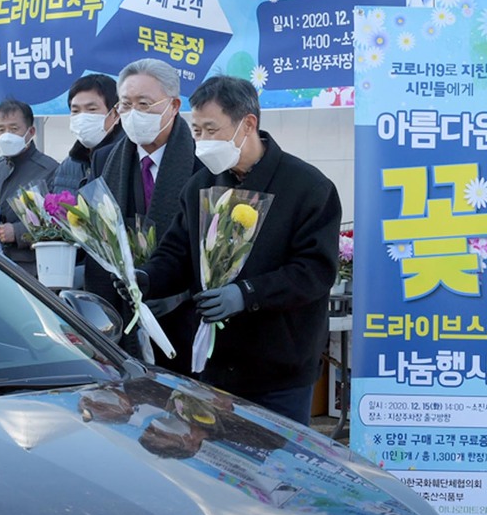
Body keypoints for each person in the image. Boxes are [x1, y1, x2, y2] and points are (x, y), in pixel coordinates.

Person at [135, 75, 342, 426]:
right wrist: (145, 278)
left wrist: (247, 294)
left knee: (277, 458)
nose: (203, 140)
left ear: (248, 124)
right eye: (197, 130)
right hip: (213, 363)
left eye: (211, 129)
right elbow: (176, 253)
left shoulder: (308, 187)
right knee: (219, 457)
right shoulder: (200, 186)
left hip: (279, 370)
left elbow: (314, 272)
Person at [84, 58, 202, 372]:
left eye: (144, 104)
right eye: (126, 104)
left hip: (184, 317)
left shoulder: (201, 161)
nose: (134, 113)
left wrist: (174, 291)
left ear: (174, 106)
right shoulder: (105, 159)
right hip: (122, 312)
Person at [0, 98, 59, 276]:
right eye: (1, 130)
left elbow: (58, 223)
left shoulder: (50, 170)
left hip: (32, 271)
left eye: (14, 129)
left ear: (31, 131)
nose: (7, 135)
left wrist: (17, 231)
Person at [50, 73, 123, 197]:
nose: (82, 117)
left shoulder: (129, 159)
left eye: (92, 109)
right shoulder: (68, 165)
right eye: (75, 111)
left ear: (115, 114)